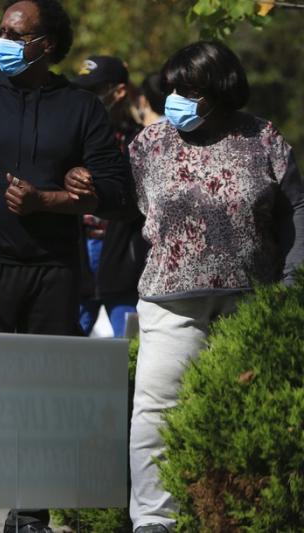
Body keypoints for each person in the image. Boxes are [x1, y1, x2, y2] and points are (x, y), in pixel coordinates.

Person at [67, 40, 304, 533]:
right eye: (172, 87)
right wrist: (86, 189)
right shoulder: (150, 144)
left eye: (188, 89)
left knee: (243, 414)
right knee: (155, 412)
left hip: (250, 302)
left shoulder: (262, 137)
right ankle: (155, 520)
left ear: (218, 89)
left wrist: (291, 281)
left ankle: (240, 516)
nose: (175, 97)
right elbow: (119, 204)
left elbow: (295, 210)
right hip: (170, 302)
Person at [0, 1, 131, 531]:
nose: (4, 42)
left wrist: (55, 200)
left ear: (47, 46)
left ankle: (30, 518)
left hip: (54, 276)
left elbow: (113, 193)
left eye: (16, 34)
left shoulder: (81, 109)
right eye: (2, 32)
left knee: (44, 407)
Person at [72, 56, 148, 337]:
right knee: (65, 350)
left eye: (94, 91)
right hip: (78, 259)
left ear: (119, 92)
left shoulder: (139, 141)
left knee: (129, 348)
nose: (86, 99)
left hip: (123, 261)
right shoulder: (72, 136)